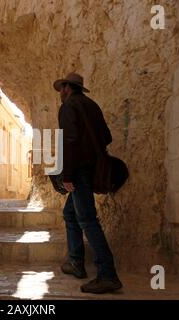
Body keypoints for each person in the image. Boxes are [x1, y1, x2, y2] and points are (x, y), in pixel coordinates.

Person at [53, 72, 123, 294]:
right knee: (71, 214)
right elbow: (107, 137)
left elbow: (70, 141)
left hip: (79, 171)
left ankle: (108, 275)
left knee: (87, 220)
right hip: (91, 168)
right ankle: (76, 262)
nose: (60, 94)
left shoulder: (68, 107)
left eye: (61, 89)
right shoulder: (92, 105)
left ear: (67, 88)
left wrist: (67, 176)